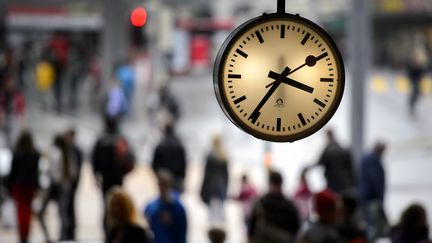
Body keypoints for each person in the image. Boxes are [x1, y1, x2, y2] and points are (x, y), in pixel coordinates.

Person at [92, 116, 135, 236]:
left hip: (105, 179)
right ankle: (118, 233)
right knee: (119, 205)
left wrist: (95, 175)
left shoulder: (101, 140)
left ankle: (107, 233)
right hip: (118, 178)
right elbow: (130, 158)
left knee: (106, 206)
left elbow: (94, 160)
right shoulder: (120, 139)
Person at [248, 170, 300, 243]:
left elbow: (251, 231)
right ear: (281, 183)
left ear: (269, 183)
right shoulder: (290, 205)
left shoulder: (260, 203)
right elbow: (296, 230)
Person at [7, 131, 40, 243]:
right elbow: (36, 173)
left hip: (19, 185)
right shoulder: (35, 153)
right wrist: (37, 187)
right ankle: (26, 234)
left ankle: (22, 234)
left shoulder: (17, 153)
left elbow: (12, 172)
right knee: (27, 210)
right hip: (30, 185)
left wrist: (9, 187)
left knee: (21, 210)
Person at [144, 170, 187, 243]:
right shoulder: (151, 206)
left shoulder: (178, 208)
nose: (162, 187)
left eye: (164, 184)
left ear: (170, 185)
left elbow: (182, 233)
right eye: (160, 184)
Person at [358, 142, 389, 242]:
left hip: (365, 195)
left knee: (369, 222)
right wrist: (380, 196)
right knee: (372, 224)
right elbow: (375, 179)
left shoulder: (367, 158)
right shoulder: (373, 160)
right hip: (371, 197)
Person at [310, 129, 355, 194]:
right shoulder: (343, 149)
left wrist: (307, 168)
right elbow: (351, 168)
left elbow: (319, 162)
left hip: (332, 181)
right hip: (344, 182)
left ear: (327, 136)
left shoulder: (327, 150)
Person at [37, 135, 64, 243]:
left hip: (53, 185)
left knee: (60, 213)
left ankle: (54, 236)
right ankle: (60, 236)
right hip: (56, 185)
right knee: (62, 213)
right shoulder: (60, 153)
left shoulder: (54, 152)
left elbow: (47, 170)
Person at [200, 134, 229, 223]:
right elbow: (226, 172)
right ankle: (221, 217)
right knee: (221, 202)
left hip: (211, 182)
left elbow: (207, 172)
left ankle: (212, 218)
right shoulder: (224, 155)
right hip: (221, 182)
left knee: (212, 202)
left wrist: (204, 184)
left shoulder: (210, 155)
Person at [151, 123, 187, 193]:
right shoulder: (179, 144)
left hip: (164, 178)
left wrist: (159, 175)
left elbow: (154, 164)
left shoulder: (160, 145)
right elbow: (184, 162)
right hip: (177, 177)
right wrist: (182, 176)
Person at [63, 128, 83, 240]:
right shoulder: (65, 149)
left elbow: (78, 169)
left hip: (73, 183)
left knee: (71, 208)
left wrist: (76, 182)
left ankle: (72, 232)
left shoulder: (76, 151)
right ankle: (67, 233)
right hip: (66, 184)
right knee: (66, 209)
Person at [0, 75, 26, 148]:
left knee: (14, 138)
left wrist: (23, 121)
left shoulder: (17, 94)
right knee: (5, 139)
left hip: (14, 118)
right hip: (5, 118)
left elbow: (22, 108)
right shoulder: (3, 94)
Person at [406, 33, 429, 117]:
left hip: (418, 74)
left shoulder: (423, 51)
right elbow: (409, 64)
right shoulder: (413, 51)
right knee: (416, 90)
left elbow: (424, 62)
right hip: (414, 74)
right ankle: (411, 107)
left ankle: (411, 106)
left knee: (418, 91)